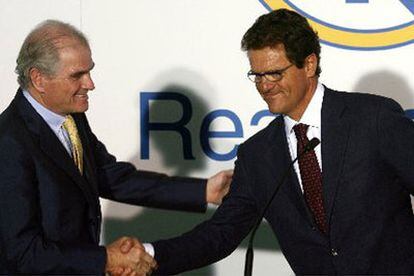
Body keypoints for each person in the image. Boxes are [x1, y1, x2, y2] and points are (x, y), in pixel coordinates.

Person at [140, 8, 414, 275]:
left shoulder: (373, 119)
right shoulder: (257, 155)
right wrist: (149, 255)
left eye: (274, 73)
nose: (264, 85)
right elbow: (220, 234)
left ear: (309, 64)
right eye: (257, 75)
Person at [0, 20, 232, 275]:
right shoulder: (8, 142)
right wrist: (104, 259)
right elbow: (22, 253)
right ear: (39, 79)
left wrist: (204, 191)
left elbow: (112, 177)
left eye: (89, 71)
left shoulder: (71, 117)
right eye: (77, 75)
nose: (90, 84)